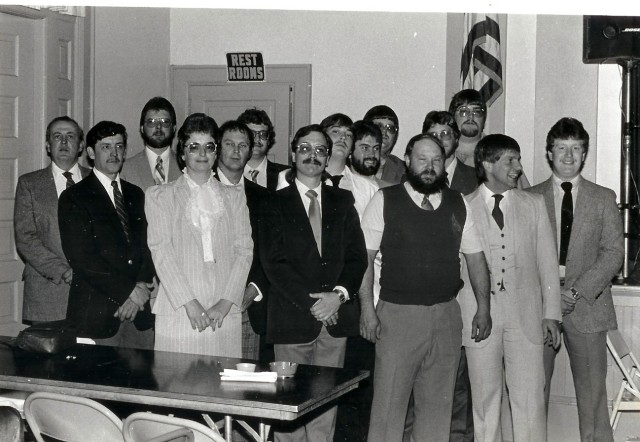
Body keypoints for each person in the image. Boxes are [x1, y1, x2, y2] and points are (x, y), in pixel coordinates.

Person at [361, 133, 491, 442]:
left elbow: (476, 259)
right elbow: (363, 261)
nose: (430, 166)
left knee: (437, 411)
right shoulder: (385, 200)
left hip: (446, 316)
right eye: (422, 159)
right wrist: (367, 310)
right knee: (388, 409)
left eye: (436, 160)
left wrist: (484, 309)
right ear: (407, 161)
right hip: (397, 317)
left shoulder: (458, 203)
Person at [259, 124, 367, 442]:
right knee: (288, 408)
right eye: (305, 148)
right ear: (293, 154)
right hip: (293, 319)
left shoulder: (343, 200)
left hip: (335, 320)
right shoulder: (273, 203)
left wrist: (338, 296)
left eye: (320, 150)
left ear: (328, 156)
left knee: (325, 407)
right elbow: (273, 264)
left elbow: (356, 257)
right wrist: (315, 305)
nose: (313, 155)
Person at [459, 134, 561, 442]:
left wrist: (551, 314)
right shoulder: (462, 206)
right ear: (487, 164)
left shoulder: (533, 204)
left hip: (527, 317)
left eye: (517, 159)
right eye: (510, 160)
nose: (518, 167)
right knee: (485, 401)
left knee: (529, 399)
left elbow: (547, 262)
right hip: (479, 318)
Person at [528, 117, 623, 442]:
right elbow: (520, 257)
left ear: (584, 154)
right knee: (532, 394)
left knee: (593, 400)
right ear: (549, 153)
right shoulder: (528, 198)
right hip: (539, 310)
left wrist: (576, 291)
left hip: (588, 307)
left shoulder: (603, 198)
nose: (568, 156)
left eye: (576, 149)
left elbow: (613, 252)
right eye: (561, 148)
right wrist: (552, 293)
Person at [145, 113, 253, 357]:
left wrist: (226, 302)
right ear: (182, 153)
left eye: (209, 147)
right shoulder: (159, 196)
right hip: (179, 309)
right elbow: (161, 252)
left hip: (224, 313)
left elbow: (245, 251)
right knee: (177, 387)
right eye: (194, 147)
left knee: (222, 389)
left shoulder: (235, 196)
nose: (202, 154)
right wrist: (190, 303)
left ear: (216, 153)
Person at [58, 121, 154, 349]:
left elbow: (147, 246)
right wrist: (128, 292)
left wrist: (140, 287)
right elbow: (82, 259)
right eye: (106, 147)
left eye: (119, 146)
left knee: (142, 382)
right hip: (96, 315)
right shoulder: (74, 197)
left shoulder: (135, 194)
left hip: (138, 313)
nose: (114, 153)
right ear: (90, 152)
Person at [14, 116, 90, 324]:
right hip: (46, 292)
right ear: (48, 145)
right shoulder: (29, 184)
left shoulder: (96, 181)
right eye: (57, 137)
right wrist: (63, 271)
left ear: (81, 145)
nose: (64, 142)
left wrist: (88, 272)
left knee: (91, 355)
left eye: (70, 136)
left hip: (91, 292)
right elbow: (26, 238)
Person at [212, 119, 271, 361]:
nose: (236, 151)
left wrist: (254, 288)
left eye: (243, 145)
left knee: (243, 386)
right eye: (229, 144)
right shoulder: (200, 190)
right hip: (207, 302)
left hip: (247, 306)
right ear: (217, 148)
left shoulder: (265, 198)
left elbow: (271, 251)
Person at [449, 89, 531, 189]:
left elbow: (525, 198)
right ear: (452, 117)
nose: (470, 116)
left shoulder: (500, 152)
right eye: (463, 111)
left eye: (477, 111)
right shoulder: (439, 152)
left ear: (483, 120)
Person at [321, 113, 379, 218]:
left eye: (349, 135)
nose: (343, 137)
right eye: (336, 131)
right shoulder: (299, 181)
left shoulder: (370, 190)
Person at [120, 96, 181, 189]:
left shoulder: (186, 167)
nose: (158, 127)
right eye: (151, 122)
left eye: (165, 122)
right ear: (142, 128)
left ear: (173, 128)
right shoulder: (125, 169)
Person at [237, 108, 288, 190]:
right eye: (251, 134)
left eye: (263, 134)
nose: (257, 139)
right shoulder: (227, 173)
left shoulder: (285, 174)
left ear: (269, 140)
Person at [363, 105, 405, 184]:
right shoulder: (347, 165)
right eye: (378, 126)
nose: (384, 133)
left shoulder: (404, 170)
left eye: (390, 128)